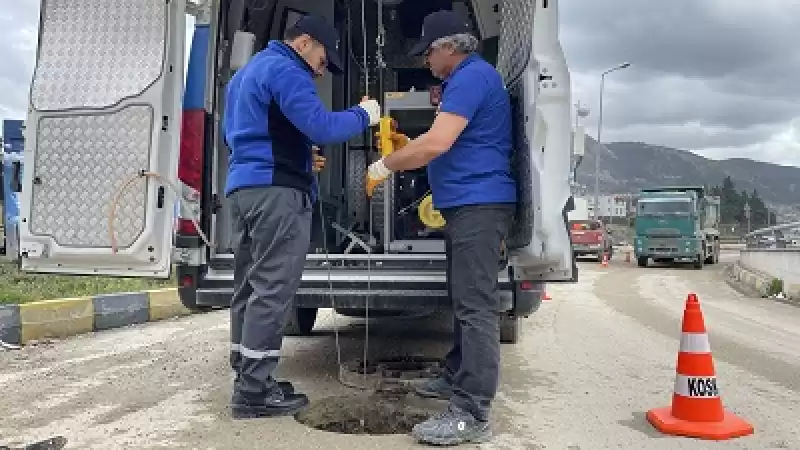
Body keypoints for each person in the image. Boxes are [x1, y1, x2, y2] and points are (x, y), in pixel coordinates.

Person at [366, 10, 516, 446]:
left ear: (450, 47)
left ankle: (472, 412)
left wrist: (384, 164)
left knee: (475, 306)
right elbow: (440, 140)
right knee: (461, 298)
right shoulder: (464, 80)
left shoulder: (472, 77)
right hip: (466, 203)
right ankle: (455, 376)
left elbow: (437, 143)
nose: (426, 60)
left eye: (428, 52)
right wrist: (402, 148)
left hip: (479, 204)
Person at [224, 14, 381, 420]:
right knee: (273, 289)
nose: (322, 68)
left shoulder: (249, 72)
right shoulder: (286, 69)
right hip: (277, 194)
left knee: (248, 286)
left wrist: (295, 154)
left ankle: (247, 374)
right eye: (324, 58)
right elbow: (322, 126)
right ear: (304, 42)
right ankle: (254, 393)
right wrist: (366, 114)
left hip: (246, 189)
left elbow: (248, 134)